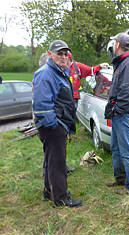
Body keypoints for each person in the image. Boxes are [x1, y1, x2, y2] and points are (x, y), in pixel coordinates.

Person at [33, 40, 82, 207]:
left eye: (65, 54)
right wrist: (54, 125)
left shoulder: (60, 72)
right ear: (49, 54)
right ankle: (61, 198)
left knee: (51, 161)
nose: (62, 56)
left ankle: (49, 192)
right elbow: (41, 104)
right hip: (53, 126)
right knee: (58, 163)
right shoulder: (46, 73)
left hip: (58, 124)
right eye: (58, 53)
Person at [104, 32, 129, 195]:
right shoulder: (122, 63)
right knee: (116, 147)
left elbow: (128, 93)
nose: (112, 45)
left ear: (118, 44)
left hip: (124, 114)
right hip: (120, 114)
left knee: (126, 149)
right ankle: (120, 178)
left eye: (113, 42)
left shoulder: (127, 64)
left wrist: (116, 109)